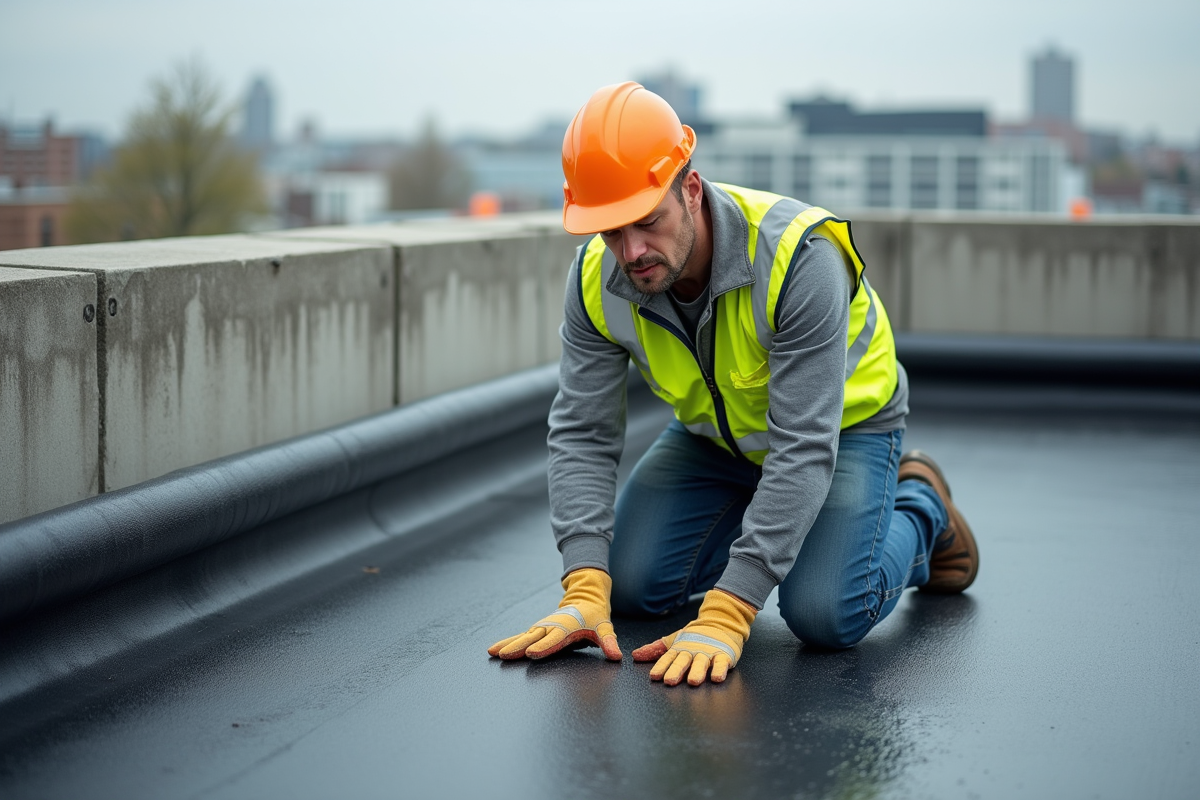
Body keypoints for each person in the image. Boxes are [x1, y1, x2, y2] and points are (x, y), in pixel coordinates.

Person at [488, 82, 979, 687]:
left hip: (844, 430)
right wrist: (584, 586)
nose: (631, 251)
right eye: (611, 230)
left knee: (823, 612)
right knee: (631, 586)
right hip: (713, 441)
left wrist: (730, 609)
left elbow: (802, 446)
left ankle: (922, 507)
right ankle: (775, 525)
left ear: (690, 190)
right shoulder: (596, 278)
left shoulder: (799, 258)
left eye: (647, 221)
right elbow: (582, 433)